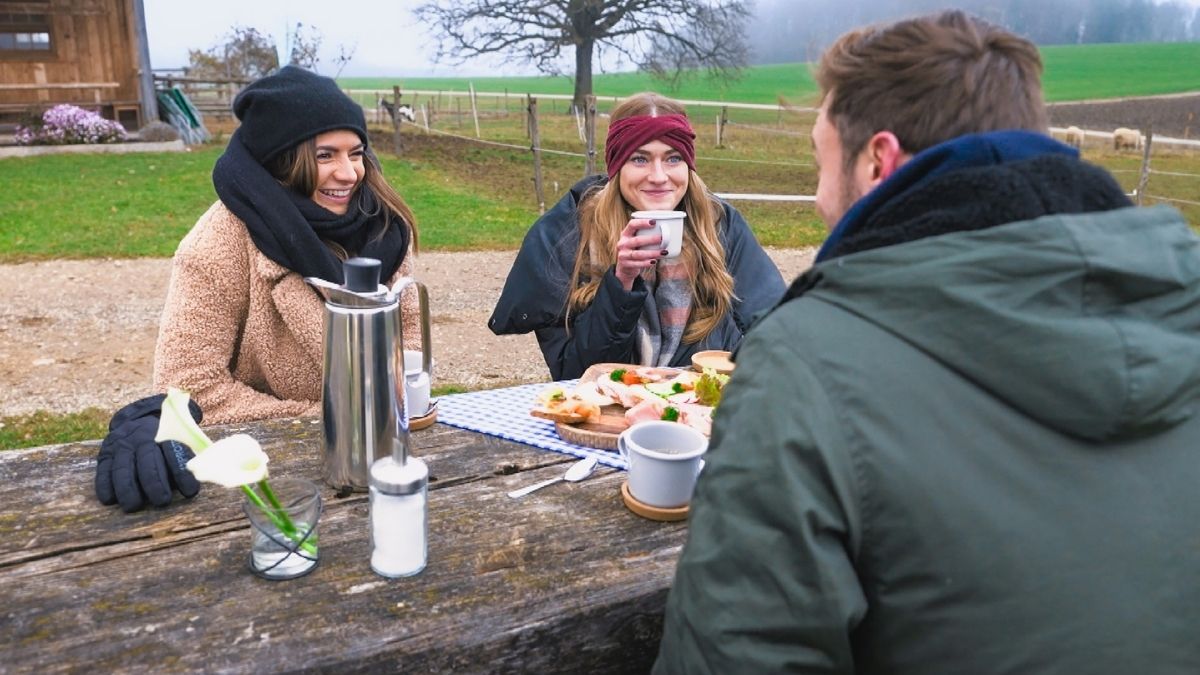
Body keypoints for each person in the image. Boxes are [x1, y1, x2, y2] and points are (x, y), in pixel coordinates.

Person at [656, 10, 1200, 674]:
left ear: (878, 160)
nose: (823, 199)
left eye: (820, 159)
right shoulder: (1180, 306)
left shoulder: (807, 363)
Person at [95, 66, 421, 512]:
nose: (349, 174)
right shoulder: (217, 244)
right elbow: (190, 389)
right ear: (280, 161)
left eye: (356, 152)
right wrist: (332, 419)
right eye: (325, 155)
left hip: (390, 461)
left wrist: (391, 410)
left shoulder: (381, 228)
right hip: (276, 481)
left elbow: (411, 361)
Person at [488, 92, 784, 380]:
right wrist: (621, 282)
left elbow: (775, 329)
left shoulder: (721, 226)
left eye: (673, 158)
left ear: (688, 165)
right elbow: (575, 376)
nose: (658, 176)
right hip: (609, 413)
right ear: (617, 166)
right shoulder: (567, 237)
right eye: (640, 159)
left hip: (699, 413)